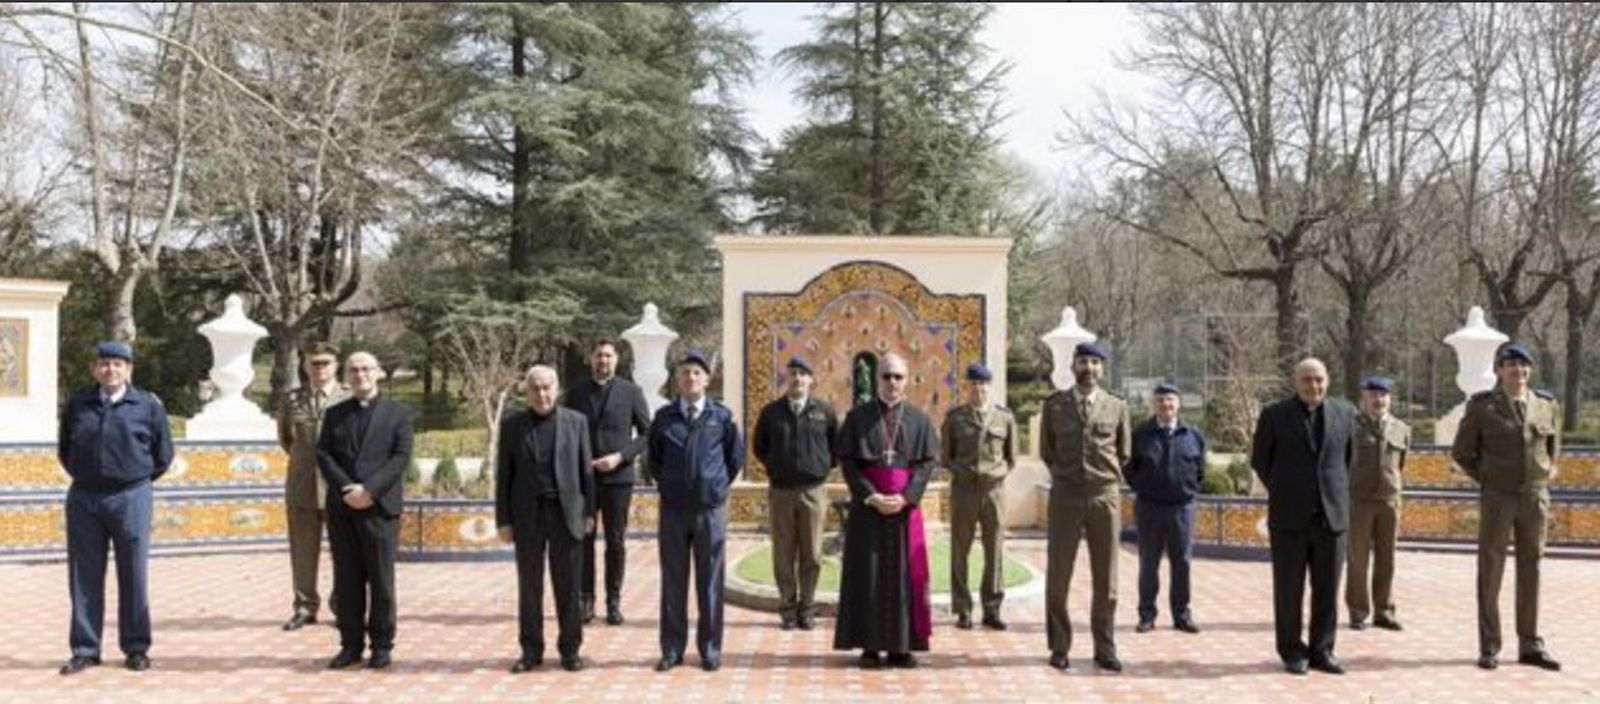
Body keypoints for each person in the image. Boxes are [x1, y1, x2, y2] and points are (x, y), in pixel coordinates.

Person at [57, 341, 173, 676]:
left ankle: (136, 647)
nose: (111, 370)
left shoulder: (147, 405)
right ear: (95, 368)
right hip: (84, 498)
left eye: (118, 364)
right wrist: (88, 475)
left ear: (129, 370)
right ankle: (85, 648)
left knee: (133, 573)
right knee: (83, 575)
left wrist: (133, 480)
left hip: (131, 496)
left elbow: (162, 454)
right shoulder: (79, 403)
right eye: (104, 363)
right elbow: (65, 449)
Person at [1451, 343, 1562, 672]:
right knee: (1491, 569)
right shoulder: (1485, 407)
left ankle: (1530, 644)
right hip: (1498, 497)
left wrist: (1547, 471)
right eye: (1512, 366)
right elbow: (1461, 452)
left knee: (1532, 568)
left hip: (1534, 497)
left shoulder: (1546, 405)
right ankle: (1490, 644)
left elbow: (1553, 445)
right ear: (1500, 370)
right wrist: (1486, 477)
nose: (1519, 372)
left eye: (1524, 366)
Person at [832, 353, 940, 670]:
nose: (892, 382)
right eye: (886, 376)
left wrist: (907, 497)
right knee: (868, 575)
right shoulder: (858, 417)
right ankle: (869, 646)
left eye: (898, 377)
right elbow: (848, 462)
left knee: (905, 578)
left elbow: (926, 463)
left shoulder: (919, 420)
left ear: (907, 380)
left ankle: (903, 647)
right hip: (869, 509)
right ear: (876, 378)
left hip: (905, 510)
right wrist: (870, 495)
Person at [1250, 357, 1353, 676]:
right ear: (1296, 382)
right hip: (1289, 518)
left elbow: (1350, 461)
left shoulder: (1345, 414)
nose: (1314, 385)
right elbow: (1260, 461)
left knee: (1327, 589)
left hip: (1331, 517)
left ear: (1328, 381)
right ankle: (1292, 650)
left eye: (1319, 379)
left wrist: (1328, 493)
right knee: (1289, 589)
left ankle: (1322, 649)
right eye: (1307, 379)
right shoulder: (1275, 415)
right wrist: (1288, 489)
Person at [317, 351, 414, 670]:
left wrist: (369, 491)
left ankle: (383, 645)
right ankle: (350, 645)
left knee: (381, 580)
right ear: (346, 375)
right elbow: (324, 454)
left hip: (380, 508)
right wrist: (348, 489)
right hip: (344, 507)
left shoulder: (398, 413)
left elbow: (400, 457)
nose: (360, 374)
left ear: (378, 373)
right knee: (347, 579)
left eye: (366, 369)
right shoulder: (334, 414)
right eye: (354, 370)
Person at [648, 351, 743, 673]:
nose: (691, 378)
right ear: (678, 378)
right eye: (685, 372)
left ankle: (710, 649)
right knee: (673, 581)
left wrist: (713, 487)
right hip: (674, 511)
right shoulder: (664, 418)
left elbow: (734, 459)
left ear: (706, 379)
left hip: (709, 511)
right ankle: (672, 649)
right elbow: (654, 462)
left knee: (711, 582)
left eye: (697, 373)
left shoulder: (722, 417)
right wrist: (674, 485)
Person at [497, 366, 596, 673]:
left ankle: (570, 649)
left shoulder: (576, 422)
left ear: (557, 388)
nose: (541, 394)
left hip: (566, 513)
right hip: (527, 515)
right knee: (530, 586)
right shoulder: (513, 426)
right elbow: (504, 476)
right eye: (535, 388)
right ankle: (530, 650)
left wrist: (589, 513)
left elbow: (586, 473)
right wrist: (504, 520)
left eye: (547, 387)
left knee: (568, 585)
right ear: (528, 391)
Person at [1041, 341, 1130, 672]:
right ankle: (1060, 646)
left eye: (1095, 362)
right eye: (1083, 361)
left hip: (1103, 495)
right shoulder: (1055, 406)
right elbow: (1047, 451)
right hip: (1065, 494)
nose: (1088, 368)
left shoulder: (1116, 406)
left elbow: (1124, 452)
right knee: (1058, 574)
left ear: (1102, 368)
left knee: (1106, 576)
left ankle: (1104, 647)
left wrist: (1099, 478)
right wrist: (1068, 477)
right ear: (1073, 366)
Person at [561, 340, 652, 626]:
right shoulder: (576, 393)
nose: (603, 360)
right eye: (599, 355)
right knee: (583, 539)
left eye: (609, 355)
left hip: (618, 478)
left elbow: (648, 434)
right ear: (591, 359)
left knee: (615, 542)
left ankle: (614, 601)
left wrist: (621, 457)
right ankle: (586, 600)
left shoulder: (631, 392)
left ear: (617, 359)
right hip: (584, 479)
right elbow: (565, 432)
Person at [752, 356, 839, 631]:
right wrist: (778, 466)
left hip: (813, 491)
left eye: (803, 374)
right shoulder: (771, 413)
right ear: (786, 378)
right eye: (793, 374)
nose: (798, 378)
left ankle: (807, 608)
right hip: (781, 492)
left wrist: (821, 466)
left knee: (812, 553)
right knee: (784, 552)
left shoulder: (824, 411)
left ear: (811, 379)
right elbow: (759, 447)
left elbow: (836, 447)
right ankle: (788, 608)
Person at [275, 340, 349, 632]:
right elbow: (287, 441)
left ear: (336, 366)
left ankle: (343, 606)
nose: (319, 368)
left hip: (337, 489)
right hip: (302, 488)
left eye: (325, 363)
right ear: (304, 366)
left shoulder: (347, 399)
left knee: (343, 552)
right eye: (313, 363)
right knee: (302, 552)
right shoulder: (291, 401)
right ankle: (305, 606)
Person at [940, 362, 1016, 631]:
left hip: (993, 491)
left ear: (989, 387)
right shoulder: (955, 418)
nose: (978, 389)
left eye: (983, 384)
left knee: (994, 549)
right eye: (973, 385)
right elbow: (945, 457)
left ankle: (992, 609)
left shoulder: (1005, 418)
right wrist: (963, 473)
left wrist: (994, 475)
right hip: (963, 491)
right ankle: (963, 609)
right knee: (960, 551)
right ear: (967, 387)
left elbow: (1011, 458)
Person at [1125, 381, 1205, 635]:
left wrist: (1188, 491)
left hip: (1182, 508)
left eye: (1170, 400)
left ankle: (1182, 615)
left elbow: (1201, 470)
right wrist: (1144, 487)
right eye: (1160, 400)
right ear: (1154, 404)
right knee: (1149, 563)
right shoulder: (1141, 435)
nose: (1165, 405)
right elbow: (1129, 469)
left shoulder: (1192, 435)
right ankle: (1147, 614)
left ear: (1178, 404)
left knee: (1182, 562)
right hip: (1150, 508)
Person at [1346, 376, 1409, 632]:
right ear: (1364, 397)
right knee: (1357, 558)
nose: (1378, 399)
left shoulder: (1401, 428)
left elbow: (1400, 464)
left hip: (1389, 501)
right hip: (1359, 500)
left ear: (1389, 398)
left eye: (1383, 395)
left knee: (1387, 558)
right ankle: (1358, 611)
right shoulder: (1353, 426)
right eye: (1373, 394)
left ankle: (1384, 611)